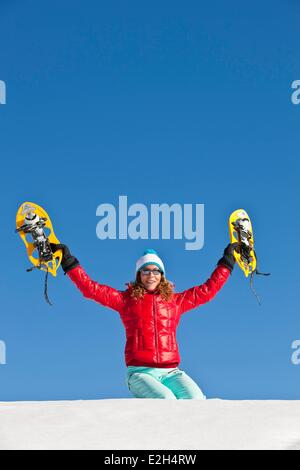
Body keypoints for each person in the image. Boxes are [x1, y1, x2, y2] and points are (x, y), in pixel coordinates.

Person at [51, 242, 238, 399]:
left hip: (171, 372)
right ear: (139, 275)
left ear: (162, 275)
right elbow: (91, 289)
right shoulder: (126, 300)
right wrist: (69, 263)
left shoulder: (175, 302)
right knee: (166, 401)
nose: (151, 275)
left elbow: (207, 291)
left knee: (197, 401)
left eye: (156, 271)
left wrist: (227, 263)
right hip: (140, 372)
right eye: (145, 271)